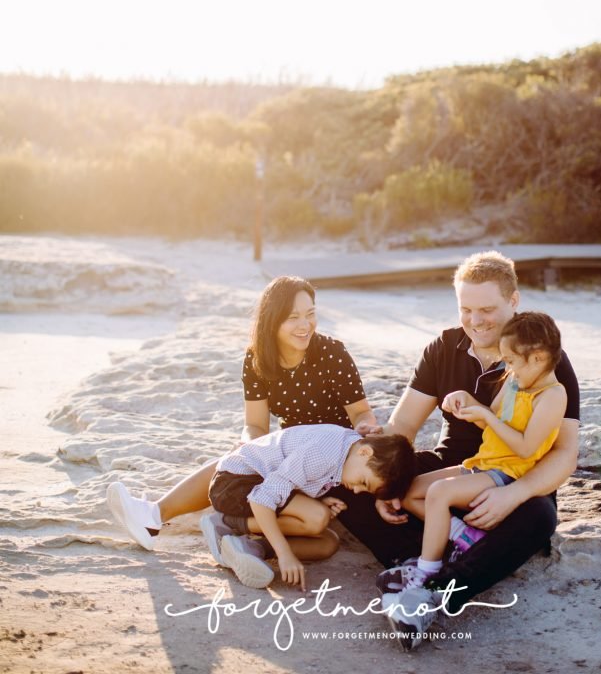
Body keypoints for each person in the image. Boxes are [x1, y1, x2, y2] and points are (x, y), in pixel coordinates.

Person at [333, 251, 580, 617]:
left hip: (514, 476)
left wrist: (514, 495)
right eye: (466, 309)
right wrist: (383, 475)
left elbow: (565, 453)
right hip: (456, 465)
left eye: (486, 310)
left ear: (513, 301)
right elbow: (402, 428)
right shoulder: (443, 348)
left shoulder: (543, 362)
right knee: (347, 483)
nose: (475, 321)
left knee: (539, 518)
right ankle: (418, 561)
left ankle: (441, 590)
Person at [107, 276, 378, 563]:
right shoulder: (257, 358)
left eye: (311, 314)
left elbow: (360, 411)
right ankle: (153, 517)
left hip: (333, 463)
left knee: (322, 532)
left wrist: (365, 425)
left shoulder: (332, 353)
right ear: (272, 320)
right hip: (289, 453)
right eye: (294, 317)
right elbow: (256, 424)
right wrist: (249, 443)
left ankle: (237, 532)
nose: (305, 325)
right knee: (238, 458)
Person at [379, 311, 567, 591]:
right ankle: (464, 536)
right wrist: (465, 400)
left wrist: (488, 418)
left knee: (439, 493)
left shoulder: (552, 395)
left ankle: (425, 571)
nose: (509, 368)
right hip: (483, 463)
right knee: (406, 490)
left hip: (510, 472)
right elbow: (489, 415)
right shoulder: (514, 381)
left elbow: (527, 449)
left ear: (538, 357)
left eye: (513, 361)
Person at [200, 424, 416, 590]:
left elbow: (290, 478)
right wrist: (284, 554)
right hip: (234, 482)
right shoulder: (324, 452)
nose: (358, 491)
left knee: (327, 543)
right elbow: (262, 498)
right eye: (363, 482)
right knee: (316, 517)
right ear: (365, 453)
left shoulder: (346, 450)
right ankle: (227, 523)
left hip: (262, 483)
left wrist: (313, 500)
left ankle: (250, 547)